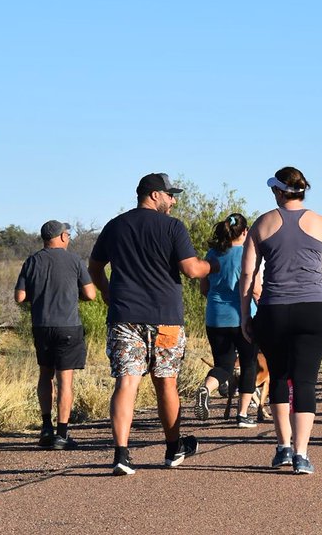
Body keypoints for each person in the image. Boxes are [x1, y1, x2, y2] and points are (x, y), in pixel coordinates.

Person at [88, 173, 213, 476]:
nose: (174, 201)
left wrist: (106, 291)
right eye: (170, 195)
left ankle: (121, 454)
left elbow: (94, 266)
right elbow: (191, 269)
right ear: (155, 195)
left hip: (124, 317)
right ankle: (172, 448)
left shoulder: (115, 226)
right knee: (166, 381)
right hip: (165, 318)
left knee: (126, 382)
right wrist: (213, 265)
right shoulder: (172, 227)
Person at [240, 167, 322, 475]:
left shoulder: (262, 223)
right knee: (304, 380)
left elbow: (248, 274)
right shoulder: (321, 223)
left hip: (274, 311)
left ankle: (283, 448)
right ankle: (301, 455)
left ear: (279, 191)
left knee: (279, 376)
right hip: (314, 311)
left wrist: (245, 315)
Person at [15, 220, 96, 450]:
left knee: (45, 375)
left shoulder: (32, 261)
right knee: (65, 380)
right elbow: (91, 294)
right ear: (60, 237)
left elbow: (20, 297)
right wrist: (74, 295)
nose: (68, 237)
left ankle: (46, 428)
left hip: (41, 326)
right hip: (67, 326)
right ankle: (62, 434)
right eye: (67, 234)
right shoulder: (74, 260)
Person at [194, 213, 262, 427]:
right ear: (245, 231)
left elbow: (204, 288)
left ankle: (207, 387)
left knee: (223, 364)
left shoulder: (212, 253)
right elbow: (256, 289)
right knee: (249, 364)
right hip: (243, 316)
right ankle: (242, 414)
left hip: (215, 317)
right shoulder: (247, 253)